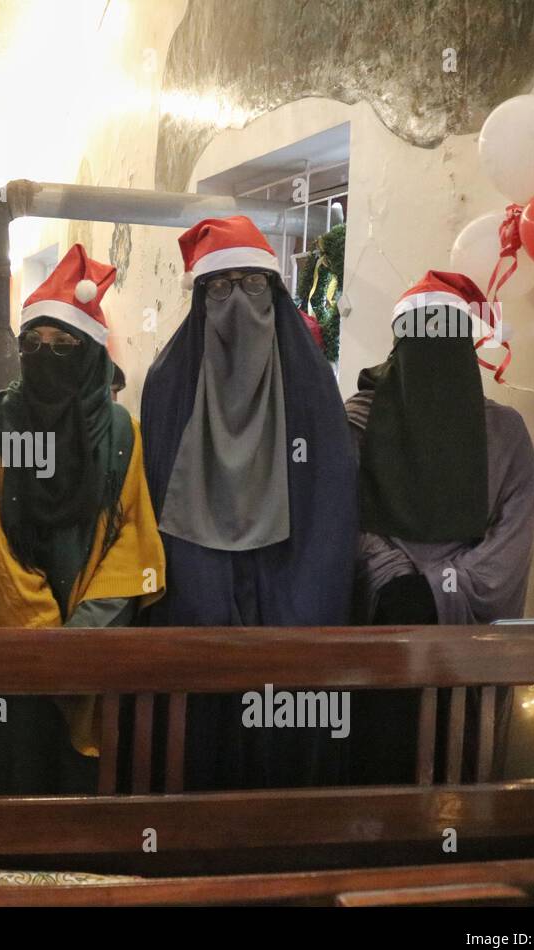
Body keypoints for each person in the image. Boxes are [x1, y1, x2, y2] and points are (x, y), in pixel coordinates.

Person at [140, 216, 357, 790]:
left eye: (254, 286)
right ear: (201, 299)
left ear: (277, 295)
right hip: (196, 591)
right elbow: (155, 501)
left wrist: (298, 602)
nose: (237, 302)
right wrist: (197, 593)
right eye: (220, 288)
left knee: (279, 735)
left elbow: (330, 511)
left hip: (290, 590)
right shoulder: (169, 382)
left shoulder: (310, 389)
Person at [0, 245, 165, 794]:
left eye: (65, 346)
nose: (46, 357)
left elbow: (133, 541)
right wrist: (49, 650)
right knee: (14, 784)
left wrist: (84, 639)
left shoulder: (124, 434)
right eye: (34, 345)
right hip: (18, 661)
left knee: (85, 796)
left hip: (92, 658)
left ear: (93, 354)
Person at [346, 271, 534, 783]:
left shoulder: (504, 431)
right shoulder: (357, 421)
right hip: (377, 631)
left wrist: (439, 589)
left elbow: (513, 537)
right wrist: (394, 580)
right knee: (368, 770)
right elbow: (346, 519)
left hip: (465, 644)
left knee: (459, 769)